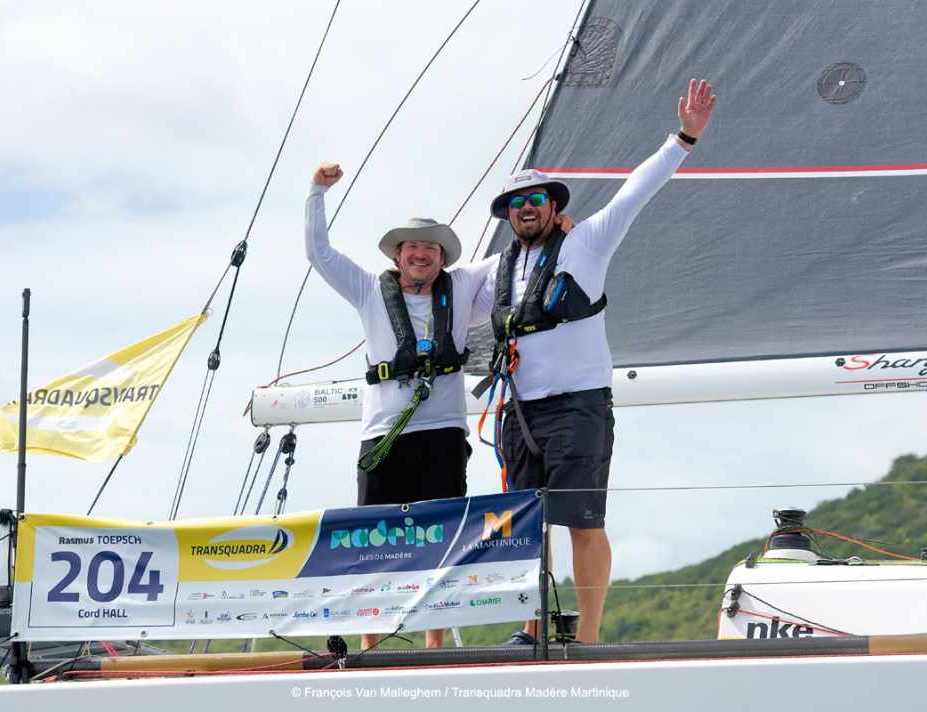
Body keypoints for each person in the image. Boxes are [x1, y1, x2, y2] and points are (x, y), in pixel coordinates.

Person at [480, 79, 717, 645]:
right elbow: (431, 280)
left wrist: (684, 137)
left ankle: (587, 638)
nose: (526, 209)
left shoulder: (588, 241)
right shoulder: (497, 269)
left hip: (577, 406)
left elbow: (637, 190)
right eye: (516, 205)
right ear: (509, 217)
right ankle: (531, 629)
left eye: (536, 200)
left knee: (584, 522)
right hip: (519, 410)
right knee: (525, 530)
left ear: (555, 205)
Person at [305, 163, 574, 648]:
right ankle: (371, 641)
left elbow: (523, 252)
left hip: (444, 432)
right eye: (413, 248)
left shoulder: (465, 284)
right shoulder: (368, 289)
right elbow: (319, 254)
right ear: (397, 256)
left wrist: (560, 229)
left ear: (442, 257)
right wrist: (317, 192)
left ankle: (434, 642)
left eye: (431, 249)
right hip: (384, 434)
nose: (422, 254)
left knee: (441, 539)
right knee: (376, 540)